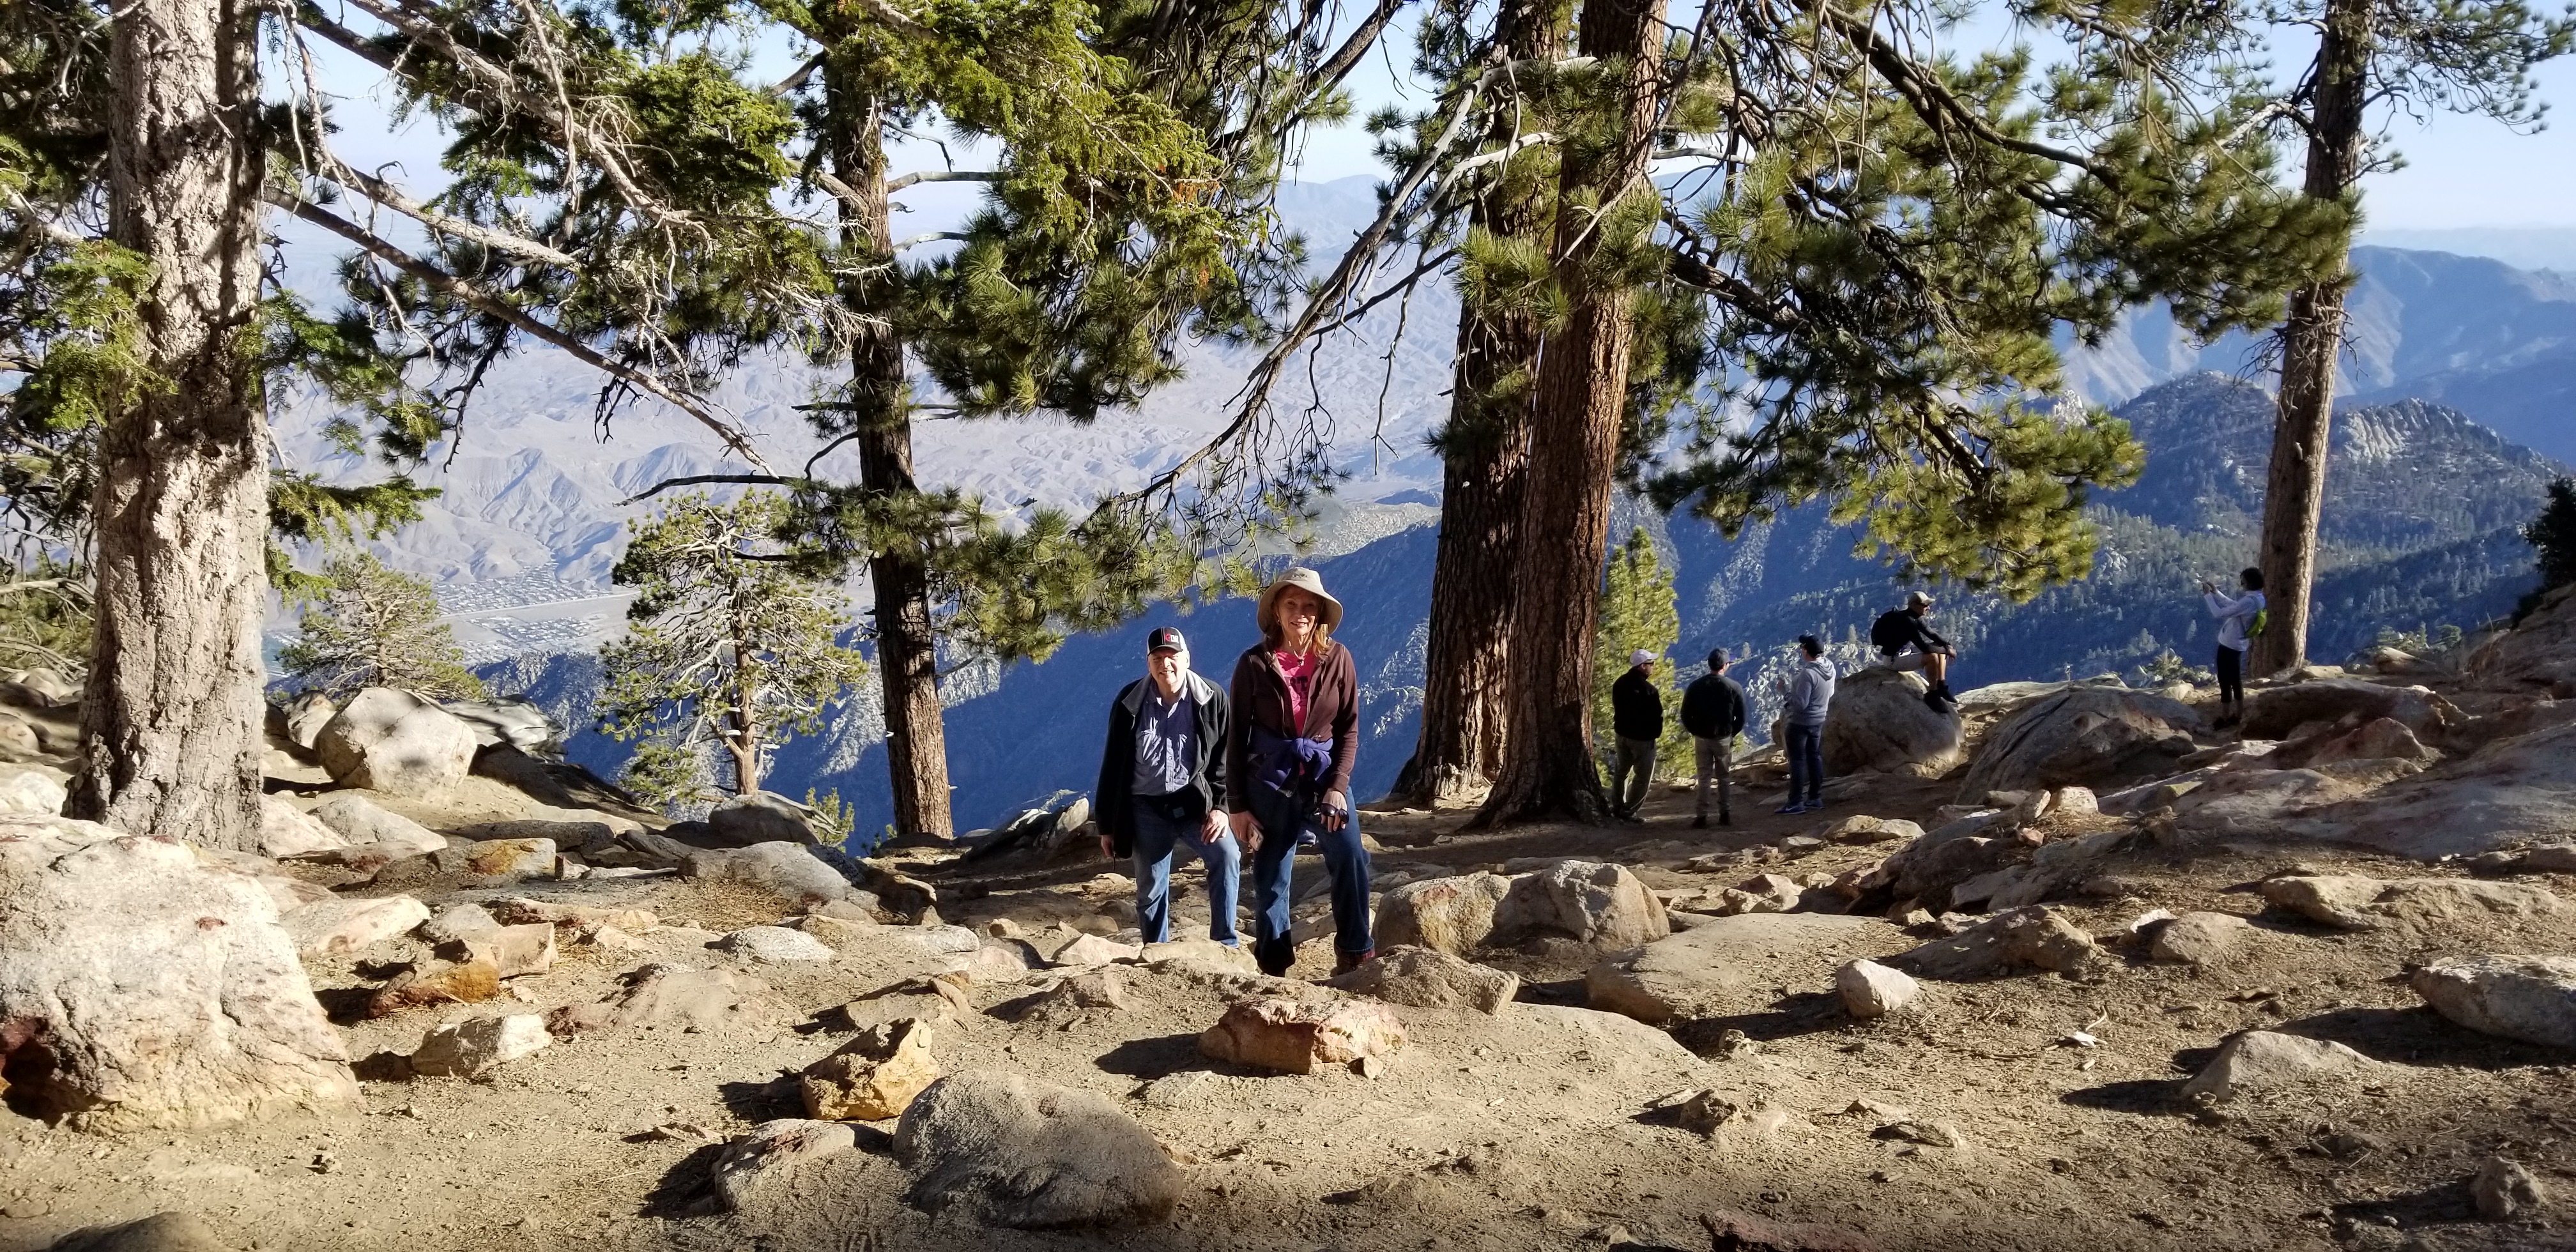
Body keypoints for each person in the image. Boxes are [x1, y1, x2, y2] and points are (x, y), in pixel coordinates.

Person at [1227, 567, 1372, 977]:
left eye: (1310, 605)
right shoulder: (1253, 664)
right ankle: (1274, 967)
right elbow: (1236, 738)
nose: (1301, 613)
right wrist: (1237, 805)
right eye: (1291, 603)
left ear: (1321, 613)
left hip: (1324, 778)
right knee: (1272, 876)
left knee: (1351, 857)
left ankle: (1355, 953)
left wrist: (1338, 787)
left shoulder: (1338, 658)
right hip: (1271, 782)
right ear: (1276, 609)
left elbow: (1349, 728)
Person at [1094, 626, 1238, 946]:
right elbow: (1113, 764)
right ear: (1148, 663)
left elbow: (1225, 760)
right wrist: (1107, 824)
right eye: (1157, 657)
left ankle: (1226, 945)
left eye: (1172, 657)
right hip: (1146, 808)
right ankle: (1155, 951)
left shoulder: (1212, 698)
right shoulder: (1129, 703)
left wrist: (1222, 808)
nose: (1166, 664)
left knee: (1226, 856)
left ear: (1187, 659)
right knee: (1150, 886)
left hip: (1196, 804)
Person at [1678, 648, 1747, 828]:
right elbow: (1741, 717)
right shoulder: (1734, 687)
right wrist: (1732, 733)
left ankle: (1701, 817)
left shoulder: (1696, 686)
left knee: (1704, 777)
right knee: (1724, 777)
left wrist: (1695, 731)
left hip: (1701, 738)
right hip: (1723, 738)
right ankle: (1725, 814)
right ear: (1725, 666)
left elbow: (1685, 714)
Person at [1871, 590, 1958, 713]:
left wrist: (1947, 646)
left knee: (1940, 648)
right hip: (1893, 660)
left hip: (1905, 652)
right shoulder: (1907, 621)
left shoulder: (1915, 617)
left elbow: (1931, 633)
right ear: (1914, 605)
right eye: (1925, 605)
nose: (1928, 608)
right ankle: (1933, 695)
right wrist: (1947, 651)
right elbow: (1924, 648)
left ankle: (1942, 686)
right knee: (1932, 657)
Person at [1776, 634, 1835, 814]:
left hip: (1800, 723)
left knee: (1797, 761)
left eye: (1802, 648)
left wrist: (1785, 693)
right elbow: (1831, 692)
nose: (1801, 650)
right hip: (1819, 719)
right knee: (1814, 756)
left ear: (1806, 651)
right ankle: (1815, 798)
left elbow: (1800, 704)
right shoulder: (1830, 668)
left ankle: (1795, 802)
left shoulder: (1808, 674)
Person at [2203, 567, 2267, 728]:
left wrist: (2208, 596)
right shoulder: (2258, 599)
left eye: (2242, 580)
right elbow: (2234, 606)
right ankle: (2238, 715)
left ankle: (2224, 718)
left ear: (2247, 582)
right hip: (2239, 644)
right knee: (2236, 680)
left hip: (2228, 644)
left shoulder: (2248, 601)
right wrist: (2216, 593)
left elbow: (2219, 613)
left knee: (2225, 681)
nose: (2241, 583)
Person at [1608, 648, 1664, 822]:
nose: (1653, 667)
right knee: (1642, 777)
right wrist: (1654, 735)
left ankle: (1617, 805)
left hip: (1622, 735)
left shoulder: (1620, 683)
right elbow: (1657, 717)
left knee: (1621, 771)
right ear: (1643, 666)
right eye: (1651, 664)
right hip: (1643, 739)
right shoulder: (1650, 691)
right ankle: (1629, 811)